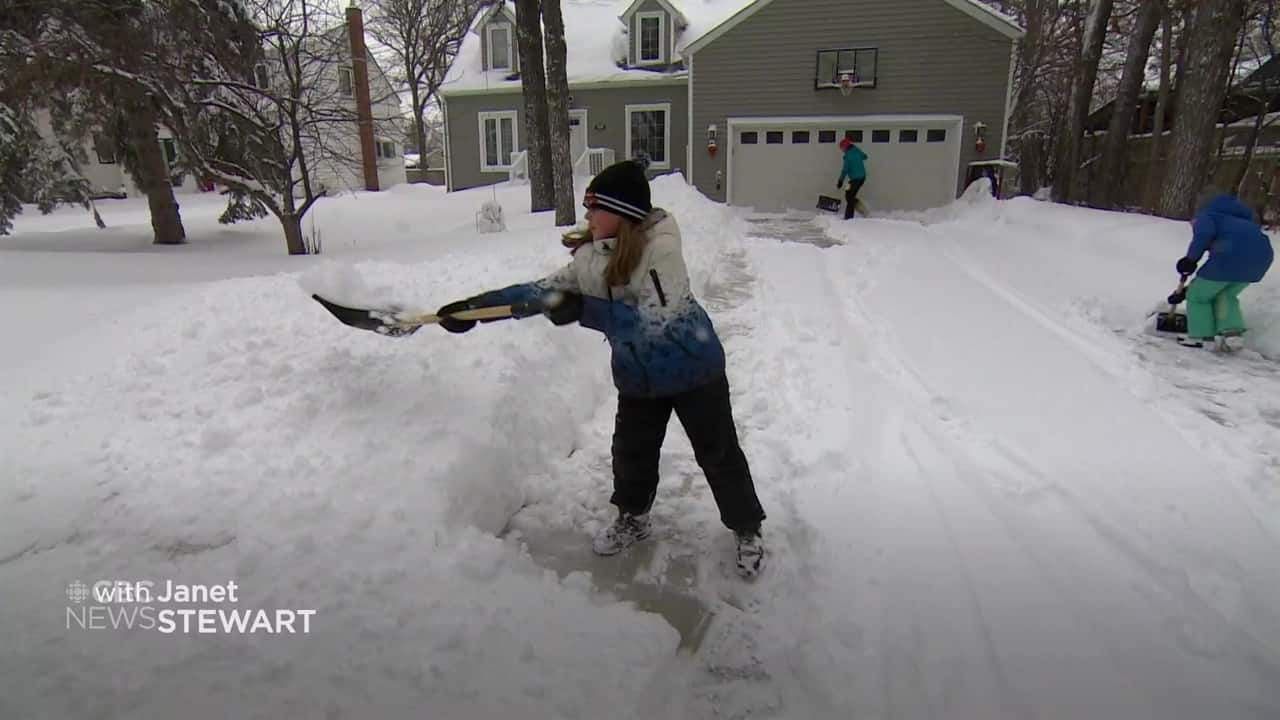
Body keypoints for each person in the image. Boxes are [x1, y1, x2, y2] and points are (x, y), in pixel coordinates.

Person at [434, 160, 768, 577]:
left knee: (718, 454)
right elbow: (540, 292)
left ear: (623, 213)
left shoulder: (661, 250)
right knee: (631, 454)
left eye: (595, 207)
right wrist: (474, 308)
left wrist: (583, 309)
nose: (587, 216)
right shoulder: (590, 258)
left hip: (692, 370)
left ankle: (747, 527)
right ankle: (633, 517)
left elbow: (656, 322)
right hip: (639, 376)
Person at [1172, 187, 1273, 350]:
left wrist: (1190, 260)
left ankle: (1201, 336)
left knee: (1198, 296)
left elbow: (1203, 235)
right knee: (1225, 295)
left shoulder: (1209, 216)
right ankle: (1233, 335)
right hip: (1259, 263)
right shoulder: (1245, 221)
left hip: (1228, 258)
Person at [837, 137, 868, 219]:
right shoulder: (856, 150)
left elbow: (845, 170)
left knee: (849, 196)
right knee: (850, 196)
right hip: (861, 178)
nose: (842, 150)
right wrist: (857, 158)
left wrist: (840, 181)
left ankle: (853, 214)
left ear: (845, 147)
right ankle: (850, 215)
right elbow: (865, 156)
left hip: (855, 179)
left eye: (842, 148)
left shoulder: (848, 156)